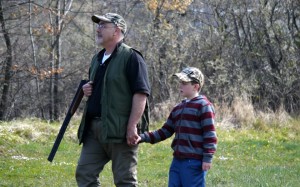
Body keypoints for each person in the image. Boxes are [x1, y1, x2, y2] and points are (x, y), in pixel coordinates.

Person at [75, 13, 151, 187]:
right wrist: (87, 90)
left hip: (120, 130)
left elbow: (141, 94)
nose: (98, 29)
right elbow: (104, 89)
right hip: (94, 129)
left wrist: (132, 126)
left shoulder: (132, 57)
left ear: (116, 30)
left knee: (125, 181)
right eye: (98, 25)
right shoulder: (96, 59)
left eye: (103, 25)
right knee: (84, 175)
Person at [137, 67, 217, 187]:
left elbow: (210, 134)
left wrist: (207, 158)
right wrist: (142, 137)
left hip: (194, 162)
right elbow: (165, 131)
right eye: (180, 82)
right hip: (177, 161)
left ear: (196, 86)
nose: (180, 86)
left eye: (184, 83)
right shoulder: (178, 108)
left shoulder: (204, 106)